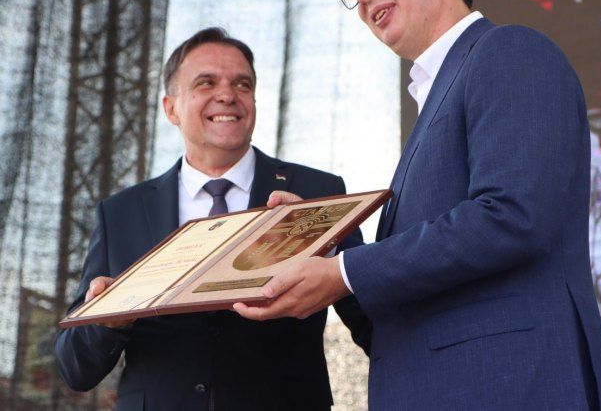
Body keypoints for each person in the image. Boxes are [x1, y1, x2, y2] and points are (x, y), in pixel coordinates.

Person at [234, 0, 601, 409]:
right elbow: (413, 300)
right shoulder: (438, 94)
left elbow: (512, 216)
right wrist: (332, 246)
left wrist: (344, 271)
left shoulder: (508, 51)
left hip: (510, 387)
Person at [55, 27, 369, 411]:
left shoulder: (316, 192)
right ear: (171, 108)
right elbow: (74, 369)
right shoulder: (121, 213)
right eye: (206, 83)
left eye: (242, 84)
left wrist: (329, 251)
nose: (227, 95)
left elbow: (372, 319)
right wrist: (109, 321)